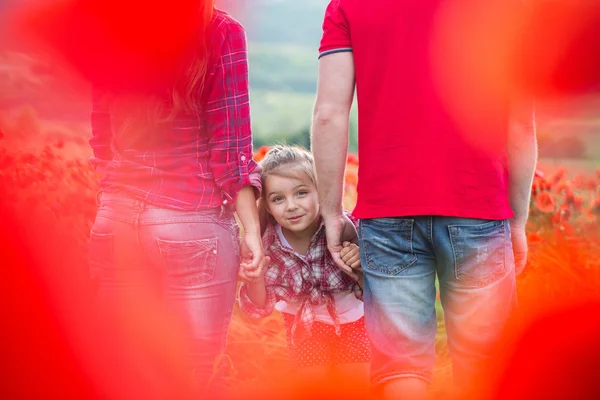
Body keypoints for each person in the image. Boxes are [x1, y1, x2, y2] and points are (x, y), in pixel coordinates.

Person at [310, 1, 537, 399]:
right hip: (478, 207)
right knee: (488, 367)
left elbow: (329, 113)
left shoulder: (347, 6)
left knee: (400, 367)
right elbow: (520, 123)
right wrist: (517, 220)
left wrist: (331, 211)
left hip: (388, 212)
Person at [87, 2, 263, 398]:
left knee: (119, 374)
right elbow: (231, 152)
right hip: (191, 221)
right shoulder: (220, 31)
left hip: (115, 221)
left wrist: (116, 194)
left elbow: (101, 137)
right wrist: (252, 230)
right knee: (194, 378)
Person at [238, 146, 370, 395]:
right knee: (313, 383)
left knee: (356, 382)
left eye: (301, 193)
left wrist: (360, 263)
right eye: (278, 198)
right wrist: (255, 278)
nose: (291, 206)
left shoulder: (345, 227)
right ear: (266, 205)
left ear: (321, 191)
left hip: (354, 319)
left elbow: (375, 289)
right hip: (304, 327)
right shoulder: (269, 246)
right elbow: (260, 305)